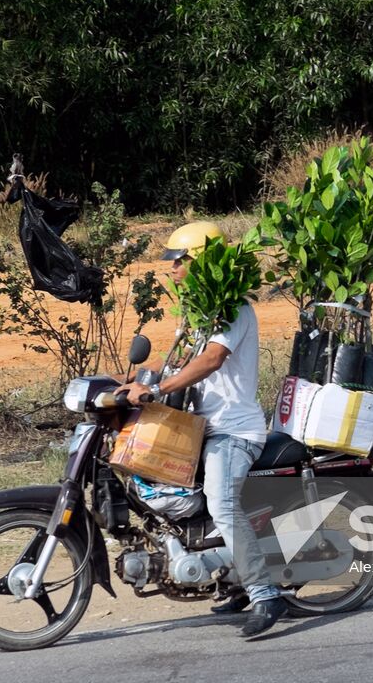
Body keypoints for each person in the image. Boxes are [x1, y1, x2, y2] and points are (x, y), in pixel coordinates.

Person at [118, 220, 285, 639]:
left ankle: (265, 594)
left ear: (205, 261)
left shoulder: (233, 309)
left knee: (221, 502)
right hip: (202, 429)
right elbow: (179, 362)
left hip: (234, 431)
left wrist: (158, 389)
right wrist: (135, 380)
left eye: (180, 261)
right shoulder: (201, 313)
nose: (173, 269)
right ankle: (229, 577)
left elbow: (211, 360)